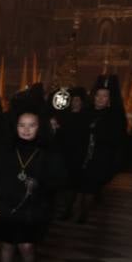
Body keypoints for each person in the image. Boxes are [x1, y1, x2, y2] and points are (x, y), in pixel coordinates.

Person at [0, 103, 66, 262]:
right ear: (15, 127)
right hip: (7, 203)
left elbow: (59, 180)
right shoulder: (6, 149)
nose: (26, 130)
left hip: (34, 206)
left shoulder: (48, 151)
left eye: (31, 125)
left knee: (27, 246)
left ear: (39, 127)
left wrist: (40, 183)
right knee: (7, 245)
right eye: (22, 125)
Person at [74, 74, 126, 223]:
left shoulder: (113, 116)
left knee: (90, 188)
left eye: (105, 96)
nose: (101, 99)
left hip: (99, 158)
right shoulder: (85, 113)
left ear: (109, 99)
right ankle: (78, 211)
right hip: (81, 157)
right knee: (79, 188)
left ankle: (84, 214)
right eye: (98, 95)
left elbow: (116, 139)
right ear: (94, 96)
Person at [55, 88, 88, 220]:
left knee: (72, 184)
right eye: (73, 100)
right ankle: (65, 208)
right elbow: (59, 135)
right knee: (63, 183)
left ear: (81, 102)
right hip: (63, 153)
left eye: (77, 100)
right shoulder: (64, 115)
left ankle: (68, 209)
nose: (75, 102)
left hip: (77, 154)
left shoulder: (84, 117)